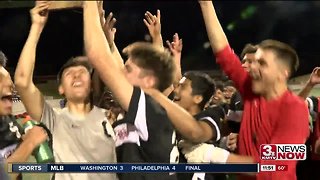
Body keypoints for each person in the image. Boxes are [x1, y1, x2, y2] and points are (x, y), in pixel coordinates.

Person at [181, 2, 309, 180]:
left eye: (262, 63)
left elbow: (274, 167)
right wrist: (206, 4)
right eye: (253, 61)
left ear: (282, 74)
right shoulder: (252, 91)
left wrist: (216, 156)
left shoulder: (295, 109)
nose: (252, 67)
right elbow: (224, 55)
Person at [14, 2, 117, 180]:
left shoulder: (111, 117)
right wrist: (37, 27)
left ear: (92, 85)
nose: (76, 75)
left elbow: (117, 74)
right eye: (69, 73)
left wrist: (108, 43)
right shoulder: (54, 119)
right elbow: (22, 82)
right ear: (61, 89)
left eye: (82, 72)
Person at [83, 1, 178, 180]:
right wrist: (108, 43)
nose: (122, 73)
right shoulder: (152, 108)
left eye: (129, 70)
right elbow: (115, 66)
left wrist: (88, 6)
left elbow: (98, 56)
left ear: (148, 80)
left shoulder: (150, 111)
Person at [144, 71, 224, 180]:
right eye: (177, 86)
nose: (176, 90)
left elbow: (195, 133)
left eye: (182, 87)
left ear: (197, 98)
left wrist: (154, 93)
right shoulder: (168, 118)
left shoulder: (209, 116)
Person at [0, 51, 48, 180]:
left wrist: (25, 140)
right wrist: (30, 142)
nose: (10, 84)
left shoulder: (6, 117)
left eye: (7, 78)